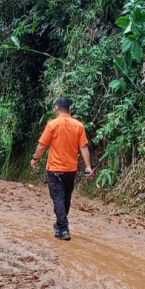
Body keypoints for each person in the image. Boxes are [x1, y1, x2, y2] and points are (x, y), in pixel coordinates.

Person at [30, 97, 94, 240]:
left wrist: (35, 159)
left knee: (58, 198)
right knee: (66, 198)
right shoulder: (78, 126)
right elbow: (83, 147)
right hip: (71, 170)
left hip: (54, 169)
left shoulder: (52, 125)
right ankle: (60, 225)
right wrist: (88, 167)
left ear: (56, 108)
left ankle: (63, 229)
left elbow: (42, 145)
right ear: (70, 109)